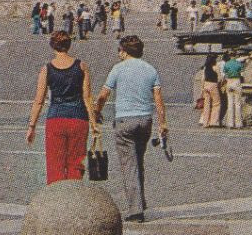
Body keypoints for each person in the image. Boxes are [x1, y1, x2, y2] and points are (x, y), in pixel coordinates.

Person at [92, 35, 166, 223]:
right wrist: (162, 123)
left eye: (119, 50)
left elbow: (103, 96)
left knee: (129, 165)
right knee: (138, 161)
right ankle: (140, 201)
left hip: (125, 120)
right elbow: (158, 99)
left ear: (124, 51)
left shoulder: (118, 69)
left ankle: (136, 210)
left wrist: (96, 112)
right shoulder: (150, 69)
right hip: (145, 121)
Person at [26, 31, 96, 183]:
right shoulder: (81, 66)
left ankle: (56, 201)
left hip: (56, 119)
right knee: (76, 164)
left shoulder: (47, 69)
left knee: (55, 165)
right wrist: (94, 123)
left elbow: (39, 101)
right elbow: (88, 98)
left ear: (53, 46)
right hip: (79, 118)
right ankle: (74, 198)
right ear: (69, 45)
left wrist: (32, 126)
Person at [222, 51, 246, 128]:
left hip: (229, 82)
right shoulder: (239, 64)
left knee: (230, 103)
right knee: (238, 104)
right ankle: (238, 124)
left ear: (229, 56)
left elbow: (225, 75)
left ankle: (230, 123)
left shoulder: (227, 64)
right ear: (236, 56)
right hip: (236, 81)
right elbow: (242, 75)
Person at [200, 53, 222, 128]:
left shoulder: (205, 67)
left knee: (206, 104)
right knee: (216, 103)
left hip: (206, 85)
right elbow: (219, 78)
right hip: (213, 85)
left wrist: (202, 87)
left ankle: (205, 122)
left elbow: (202, 78)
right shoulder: (216, 67)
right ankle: (214, 122)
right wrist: (219, 85)